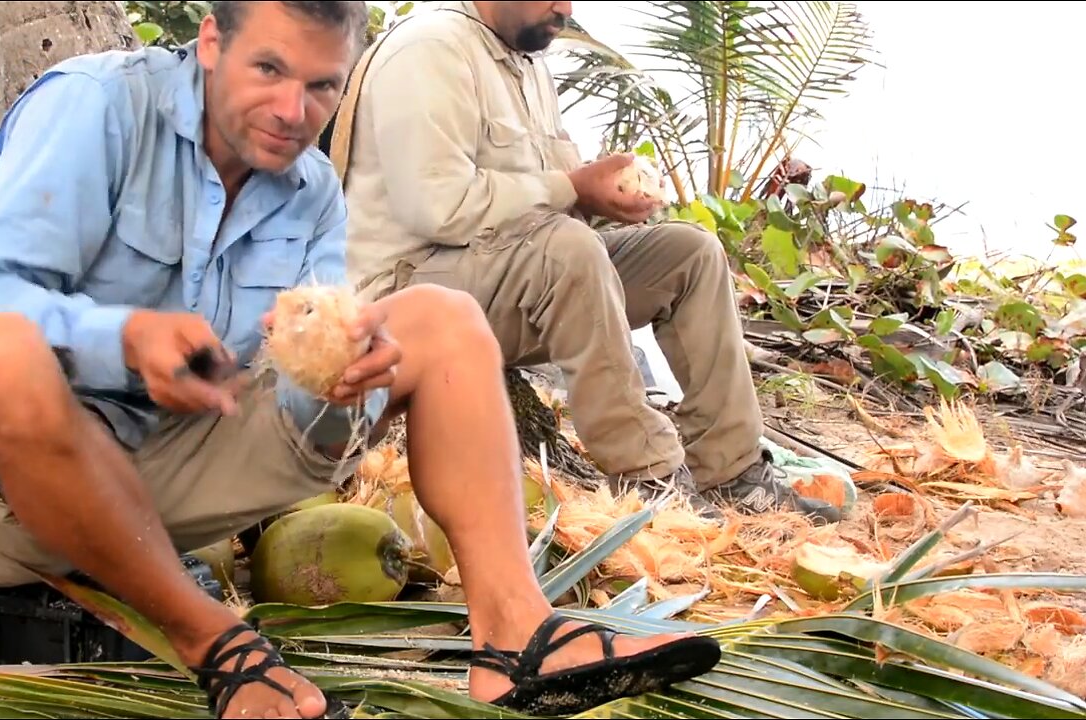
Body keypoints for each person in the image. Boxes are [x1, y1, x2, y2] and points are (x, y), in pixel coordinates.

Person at [0, 2, 723, 718]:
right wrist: (120, 337)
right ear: (212, 39)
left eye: (323, 86)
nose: (293, 111)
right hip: (3, 494)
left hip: (160, 479)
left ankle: (514, 638)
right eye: (269, 68)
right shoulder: (96, 107)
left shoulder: (309, 192)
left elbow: (303, 410)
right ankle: (216, 645)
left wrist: (338, 387)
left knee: (440, 318)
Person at [339, 0, 841, 526]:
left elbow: (544, 201)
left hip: (510, 275)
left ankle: (730, 471)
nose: (565, 8)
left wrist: (603, 196)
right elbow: (437, 208)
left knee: (689, 254)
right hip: (407, 297)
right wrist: (571, 188)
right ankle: (648, 480)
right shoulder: (431, 48)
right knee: (568, 249)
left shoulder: (527, 64)